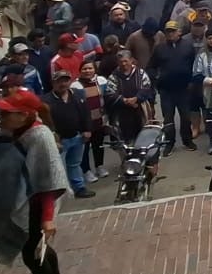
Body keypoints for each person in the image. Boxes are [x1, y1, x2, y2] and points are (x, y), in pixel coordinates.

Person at [0, 90, 72, 274]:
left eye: (7, 112)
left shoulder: (40, 136)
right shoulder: (8, 132)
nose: (0, 115)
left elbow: (50, 181)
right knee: (38, 248)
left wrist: (47, 219)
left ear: (24, 115)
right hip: (24, 199)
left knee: (32, 254)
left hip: (36, 204)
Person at [45, 70, 96, 199]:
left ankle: (79, 187)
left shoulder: (78, 94)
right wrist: (53, 138)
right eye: (59, 81)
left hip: (77, 136)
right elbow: (45, 122)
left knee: (75, 164)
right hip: (60, 140)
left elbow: (86, 114)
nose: (63, 84)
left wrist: (87, 129)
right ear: (53, 83)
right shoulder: (46, 100)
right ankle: (61, 192)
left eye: (65, 80)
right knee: (58, 167)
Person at [151, 20, 198, 154]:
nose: (170, 34)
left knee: (186, 117)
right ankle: (169, 143)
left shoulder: (188, 46)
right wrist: (156, 80)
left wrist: (192, 82)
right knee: (168, 119)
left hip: (184, 89)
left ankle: (187, 140)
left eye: (173, 31)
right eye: (168, 31)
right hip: (166, 90)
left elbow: (194, 66)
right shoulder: (159, 48)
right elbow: (151, 67)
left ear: (179, 32)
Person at [70, 61, 110, 182]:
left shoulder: (102, 81)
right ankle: (86, 170)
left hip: (100, 119)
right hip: (85, 122)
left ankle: (99, 166)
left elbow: (107, 97)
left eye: (90, 68)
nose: (87, 71)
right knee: (85, 147)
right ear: (80, 70)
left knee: (99, 144)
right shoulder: (75, 86)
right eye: (84, 69)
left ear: (94, 69)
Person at [105, 52, 155, 143]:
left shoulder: (141, 73)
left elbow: (146, 88)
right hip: (121, 113)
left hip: (140, 110)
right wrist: (124, 100)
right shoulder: (113, 76)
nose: (123, 64)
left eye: (126, 61)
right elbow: (110, 93)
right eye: (121, 62)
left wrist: (136, 98)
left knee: (142, 138)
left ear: (131, 60)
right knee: (124, 141)